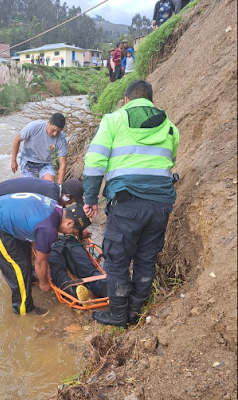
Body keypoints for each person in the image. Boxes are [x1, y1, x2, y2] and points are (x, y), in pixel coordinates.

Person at [82, 80, 179, 328]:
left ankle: (118, 315)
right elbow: (169, 161)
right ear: (150, 101)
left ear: (126, 100)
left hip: (127, 204)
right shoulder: (170, 128)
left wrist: (90, 200)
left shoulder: (114, 120)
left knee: (117, 259)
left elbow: (94, 161)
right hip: (161, 204)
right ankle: (134, 312)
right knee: (146, 258)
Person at [0, 195, 91, 315]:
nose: (72, 234)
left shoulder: (56, 208)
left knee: (25, 255)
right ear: (70, 223)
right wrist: (44, 284)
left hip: (1, 216)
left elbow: (35, 233)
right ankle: (23, 310)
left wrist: (43, 269)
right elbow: (40, 261)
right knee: (19, 267)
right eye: (74, 232)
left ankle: (28, 280)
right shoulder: (49, 228)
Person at [11, 113, 67, 183]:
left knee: (49, 185)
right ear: (48, 123)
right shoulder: (34, 127)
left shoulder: (61, 138)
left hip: (45, 163)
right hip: (28, 160)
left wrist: (59, 185)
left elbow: (63, 163)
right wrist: (13, 161)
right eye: (54, 130)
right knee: (31, 185)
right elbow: (17, 140)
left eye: (58, 132)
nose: (55, 134)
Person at [49, 235, 108, 301]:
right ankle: (74, 291)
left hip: (68, 240)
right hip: (50, 247)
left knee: (86, 266)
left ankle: (104, 289)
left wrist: (80, 233)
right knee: (58, 270)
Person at [0, 177, 84, 207]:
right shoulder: (51, 198)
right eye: (71, 202)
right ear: (67, 196)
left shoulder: (53, 187)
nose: (69, 204)